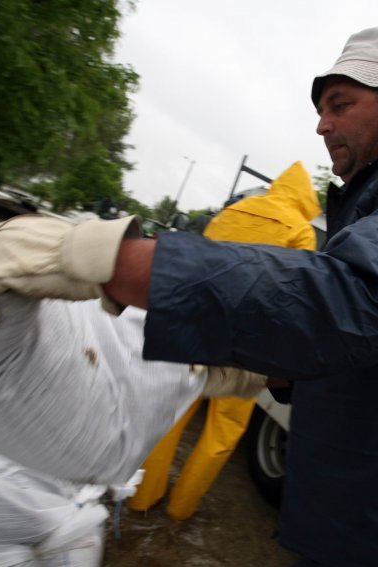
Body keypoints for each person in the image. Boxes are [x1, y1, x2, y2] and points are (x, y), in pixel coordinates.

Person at [0, 28, 378, 567]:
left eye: (340, 104)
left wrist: (107, 259)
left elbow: (354, 303)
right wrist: (274, 376)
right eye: (319, 109)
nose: (321, 124)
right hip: (360, 477)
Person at [127, 161, 321, 520]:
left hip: (195, 328)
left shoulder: (235, 211)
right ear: (306, 199)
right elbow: (291, 298)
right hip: (247, 346)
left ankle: (141, 498)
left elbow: (195, 263)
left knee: (171, 414)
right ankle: (180, 510)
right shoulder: (300, 231)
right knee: (223, 431)